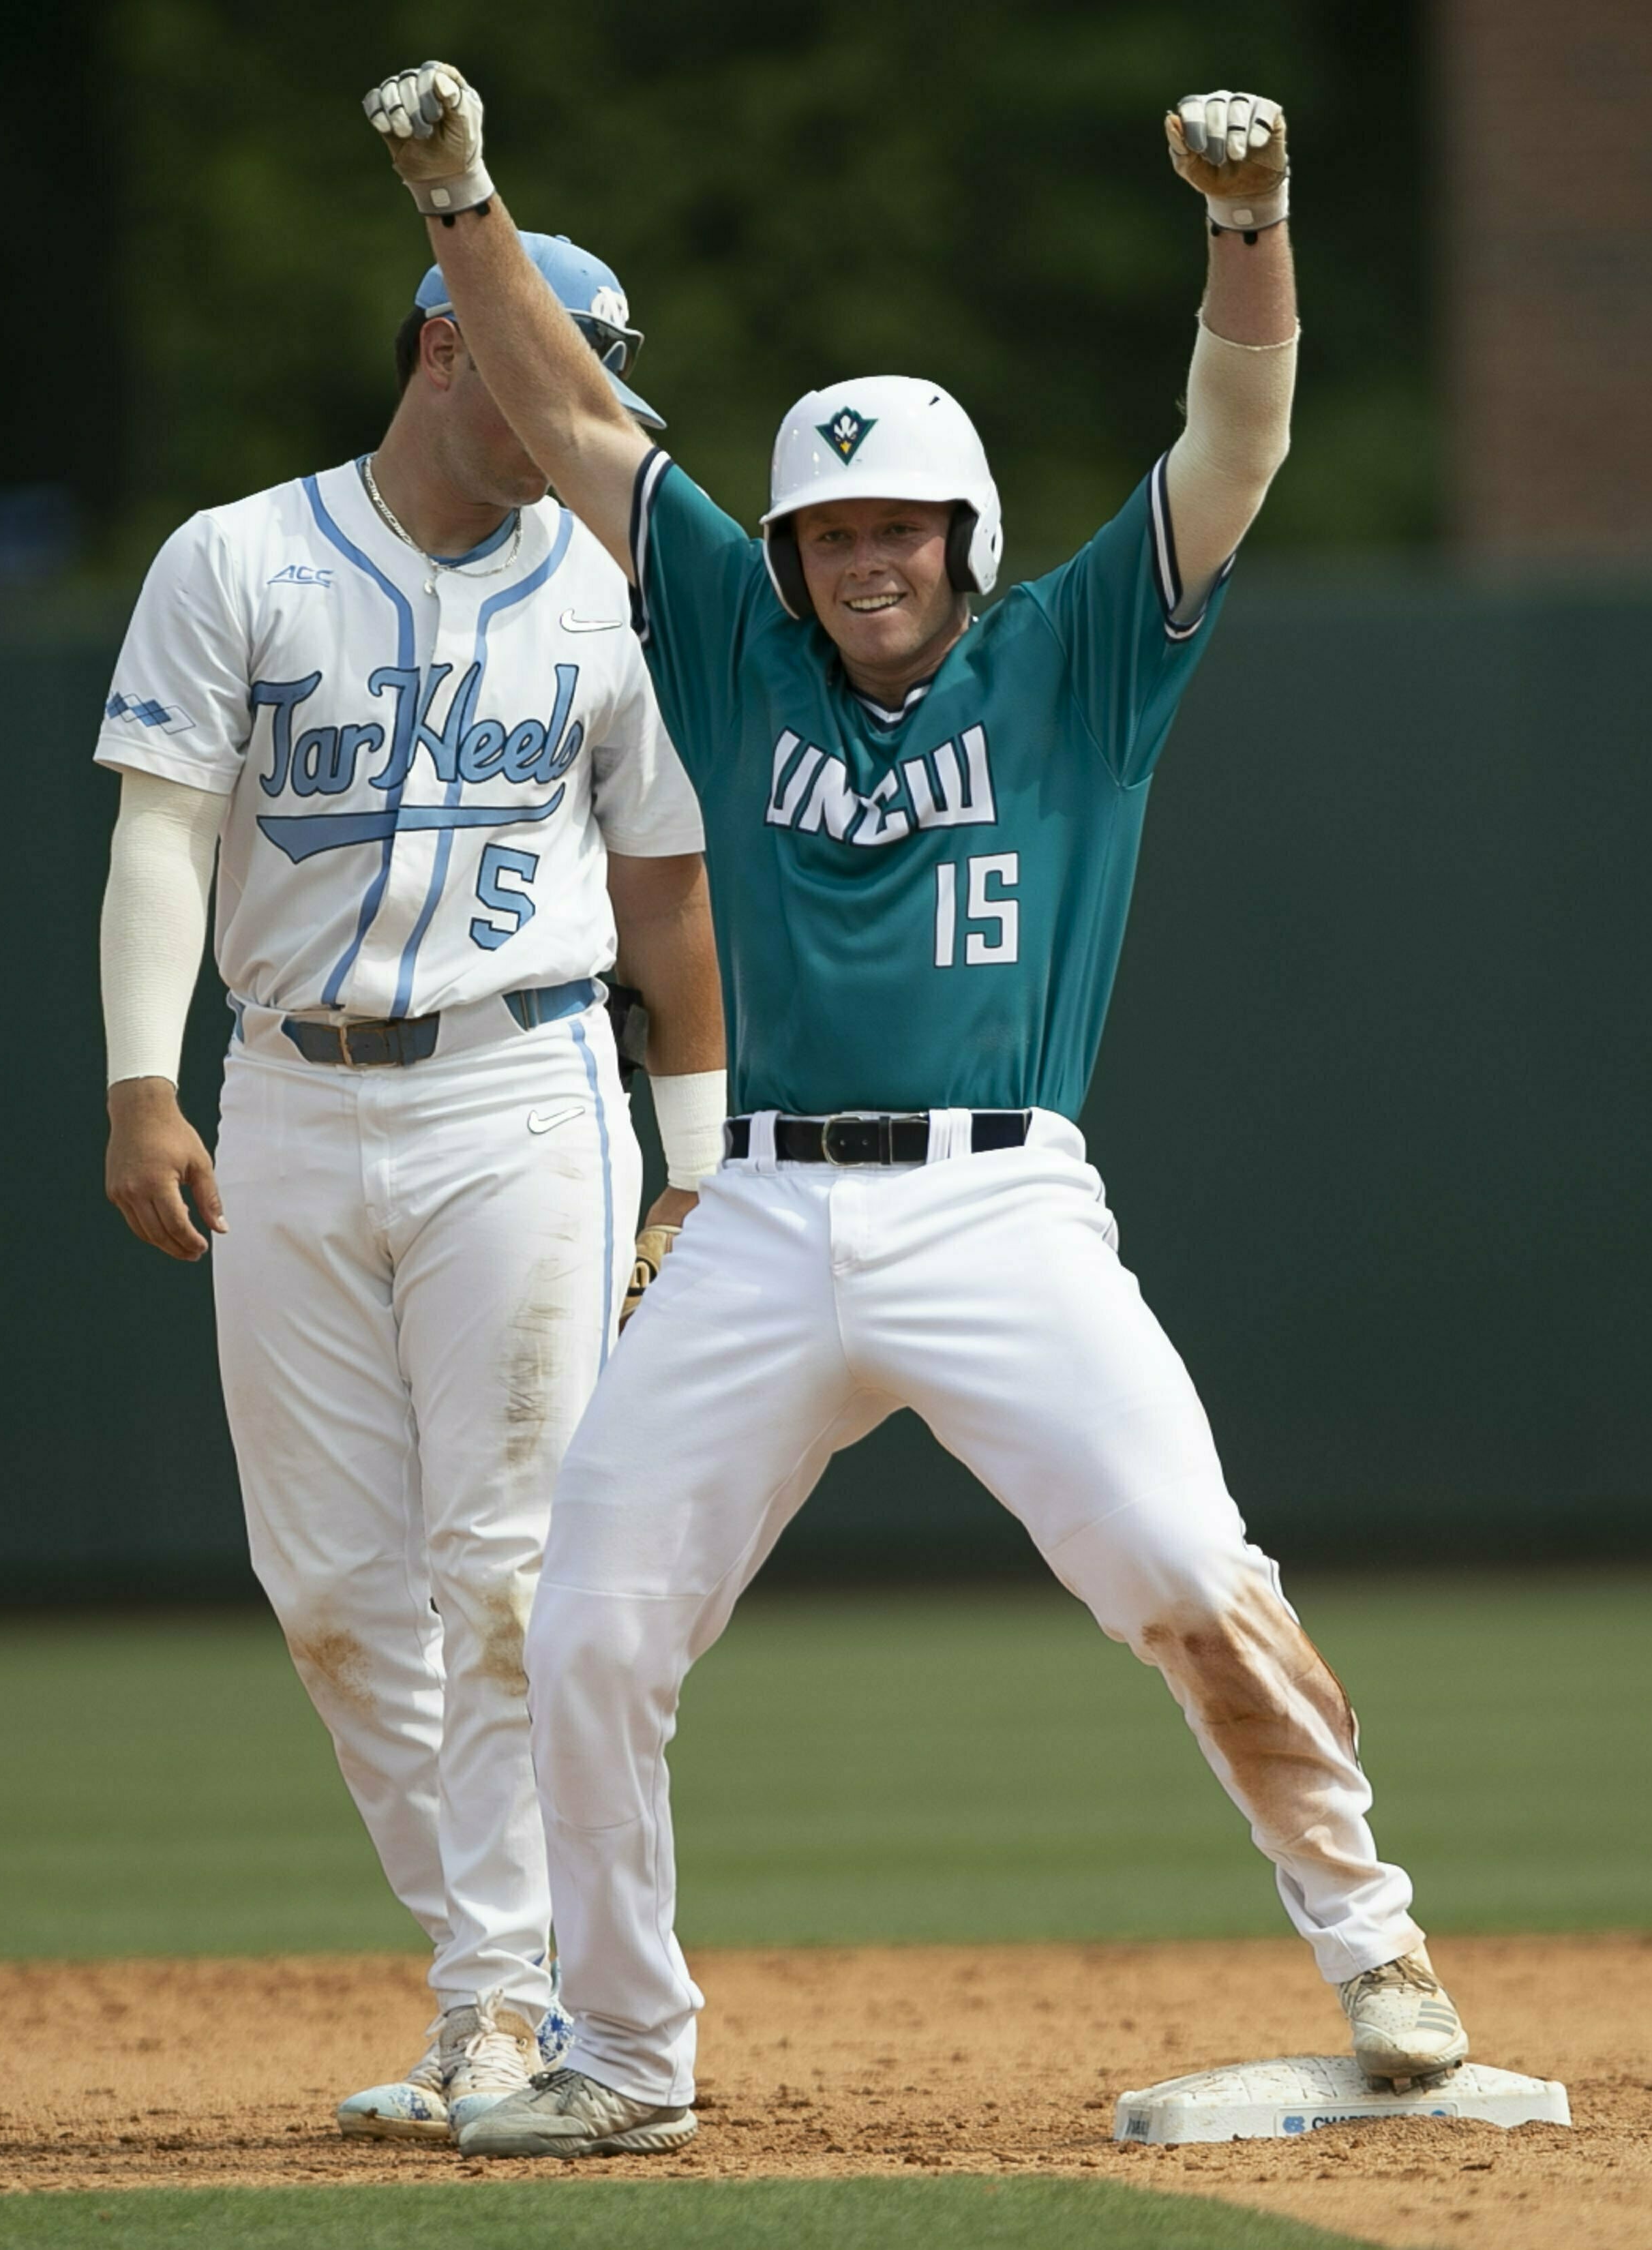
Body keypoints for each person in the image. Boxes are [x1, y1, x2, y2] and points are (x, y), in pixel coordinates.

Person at [361, 66, 1470, 2160]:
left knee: (1175, 1558)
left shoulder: (1070, 661)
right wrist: (464, 199)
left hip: (1001, 1212)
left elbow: (1231, 441)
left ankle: (1378, 1952)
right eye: (828, 530)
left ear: (962, 541)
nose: (863, 559)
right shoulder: (732, 641)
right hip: (764, 1217)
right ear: (784, 550)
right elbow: (576, 416)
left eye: (897, 527)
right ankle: (623, 2054)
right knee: (585, 1617)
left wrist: (1252, 227)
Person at [96, 225, 728, 2143]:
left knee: (512, 1565)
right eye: (558, 369)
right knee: (334, 1590)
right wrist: (142, 1081)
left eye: (597, 378)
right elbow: (159, 835)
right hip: (283, 1092)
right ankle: (488, 1976)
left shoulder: (614, 589)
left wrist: (691, 1165)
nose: (586, 415)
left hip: (524, 1082)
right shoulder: (238, 557)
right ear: (451, 345)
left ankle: (507, 2005)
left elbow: (663, 892)